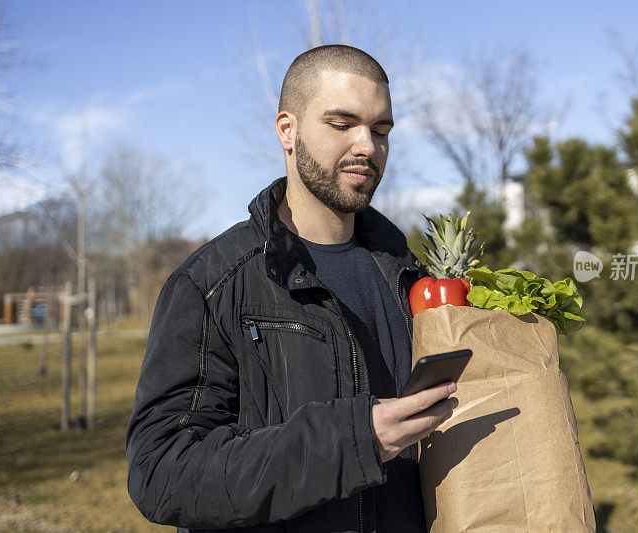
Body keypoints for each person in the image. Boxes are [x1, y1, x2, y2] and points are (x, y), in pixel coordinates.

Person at [126, 44, 458, 532]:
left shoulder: (411, 277)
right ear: (288, 130)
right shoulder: (212, 286)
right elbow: (162, 471)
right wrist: (351, 442)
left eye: (381, 130)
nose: (367, 145)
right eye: (342, 125)